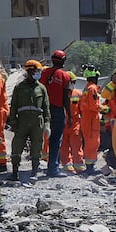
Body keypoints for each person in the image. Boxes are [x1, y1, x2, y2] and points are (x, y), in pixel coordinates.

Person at [7, 60, 50, 180]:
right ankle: (15, 172)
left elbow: (46, 107)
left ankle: (34, 172)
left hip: (37, 122)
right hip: (22, 122)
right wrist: (13, 122)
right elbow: (13, 106)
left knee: (37, 145)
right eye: (37, 71)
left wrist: (47, 123)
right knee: (17, 145)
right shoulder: (19, 87)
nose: (38, 73)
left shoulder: (41, 88)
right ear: (30, 71)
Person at [39, 50, 72, 178]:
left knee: (38, 138)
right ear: (63, 61)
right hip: (57, 110)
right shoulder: (65, 76)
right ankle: (53, 168)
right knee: (56, 139)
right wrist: (69, 115)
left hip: (42, 109)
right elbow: (66, 98)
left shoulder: (43, 72)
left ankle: (35, 167)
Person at [78, 67, 104, 176]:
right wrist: (106, 109)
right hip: (91, 119)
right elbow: (94, 106)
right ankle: (90, 168)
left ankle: (89, 165)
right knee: (93, 142)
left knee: (89, 141)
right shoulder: (92, 88)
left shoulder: (86, 88)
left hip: (86, 118)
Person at [59, 73, 84, 173]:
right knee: (64, 145)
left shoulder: (77, 93)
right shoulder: (60, 94)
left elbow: (82, 110)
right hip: (63, 122)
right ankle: (66, 165)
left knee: (76, 144)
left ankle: (78, 166)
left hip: (74, 122)